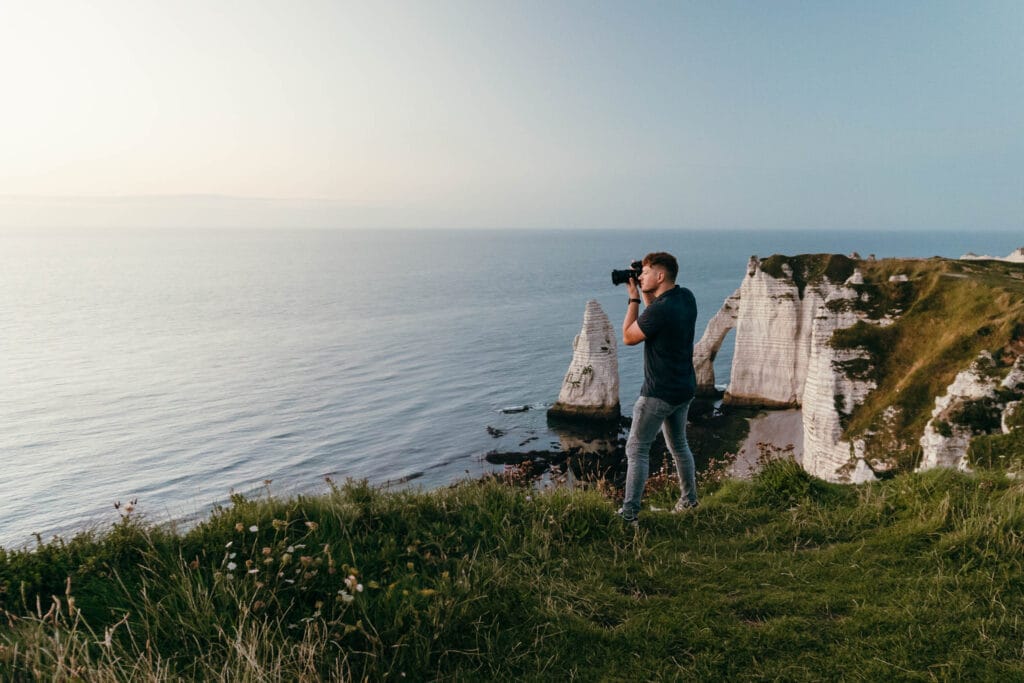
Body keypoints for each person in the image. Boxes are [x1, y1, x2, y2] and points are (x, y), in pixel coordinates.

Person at [619, 251, 698, 526]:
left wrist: (633, 297)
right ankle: (689, 501)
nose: (640, 276)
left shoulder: (661, 311)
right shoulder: (685, 297)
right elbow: (656, 312)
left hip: (658, 393)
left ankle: (629, 514)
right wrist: (644, 289)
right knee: (679, 445)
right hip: (684, 388)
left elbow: (629, 337)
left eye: (646, 272)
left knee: (637, 450)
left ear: (660, 276)